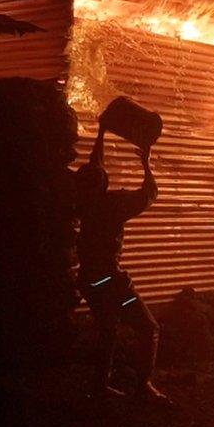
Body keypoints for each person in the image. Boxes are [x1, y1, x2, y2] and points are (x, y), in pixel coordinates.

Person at [74, 122, 166, 401]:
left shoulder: (82, 201)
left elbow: (94, 168)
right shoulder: (112, 206)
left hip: (90, 282)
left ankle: (100, 386)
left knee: (107, 328)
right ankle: (143, 386)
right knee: (148, 327)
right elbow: (149, 194)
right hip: (110, 283)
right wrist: (147, 163)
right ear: (103, 183)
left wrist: (102, 133)